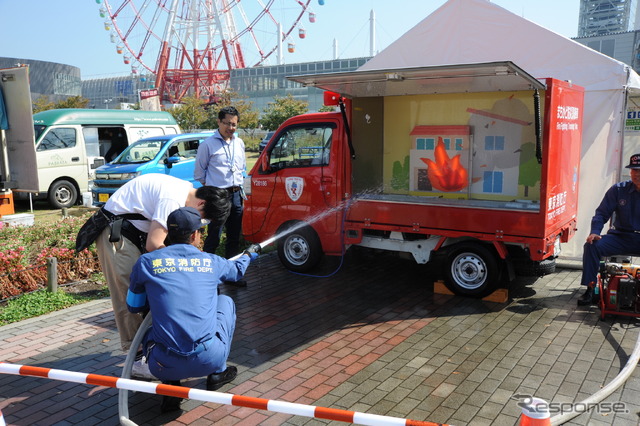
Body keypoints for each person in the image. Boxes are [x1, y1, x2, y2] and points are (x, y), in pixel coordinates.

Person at [126, 206, 260, 412]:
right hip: (208, 359)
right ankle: (218, 373)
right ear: (195, 234)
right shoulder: (210, 261)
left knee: (153, 330)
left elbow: (133, 306)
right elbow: (236, 272)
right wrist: (248, 255)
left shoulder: (146, 262)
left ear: (168, 233)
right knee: (225, 302)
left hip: (162, 364)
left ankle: (171, 384)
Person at [94, 173, 229, 353]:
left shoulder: (183, 190)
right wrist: (187, 264)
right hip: (118, 237)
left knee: (149, 291)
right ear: (201, 203)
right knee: (127, 293)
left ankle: (148, 348)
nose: (199, 223)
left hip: (133, 235)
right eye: (203, 218)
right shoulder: (172, 199)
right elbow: (154, 244)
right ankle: (135, 354)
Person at [577, 153, 640, 306]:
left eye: (639, 170)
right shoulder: (618, 190)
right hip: (621, 236)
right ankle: (590, 290)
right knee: (592, 245)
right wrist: (595, 232)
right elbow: (602, 213)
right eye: (633, 170)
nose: (636, 174)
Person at [195, 106, 247, 282]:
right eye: (227, 123)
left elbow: (242, 169)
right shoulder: (207, 145)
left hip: (236, 194)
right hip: (217, 196)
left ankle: (231, 275)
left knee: (233, 237)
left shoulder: (239, 143)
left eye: (234, 124)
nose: (230, 128)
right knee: (214, 236)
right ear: (218, 122)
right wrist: (214, 192)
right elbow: (199, 174)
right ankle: (206, 278)